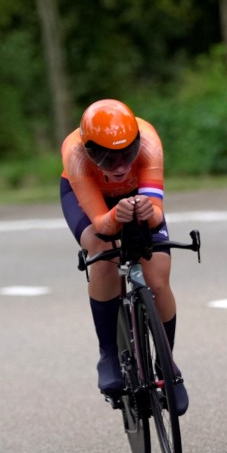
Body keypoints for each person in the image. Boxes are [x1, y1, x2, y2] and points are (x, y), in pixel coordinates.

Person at [60, 99, 188, 416]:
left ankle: (166, 360)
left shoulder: (149, 141)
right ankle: (108, 354)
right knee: (102, 252)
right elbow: (103, 224)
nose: (118, 165)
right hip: (92, 200)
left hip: (135, 195)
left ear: (136, 143)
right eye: (105, 157)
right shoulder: (74, 152)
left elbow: (156, 215)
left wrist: (149, 213)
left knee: (157, 278)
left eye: (125, 154)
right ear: (89, 150)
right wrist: (117, 217)